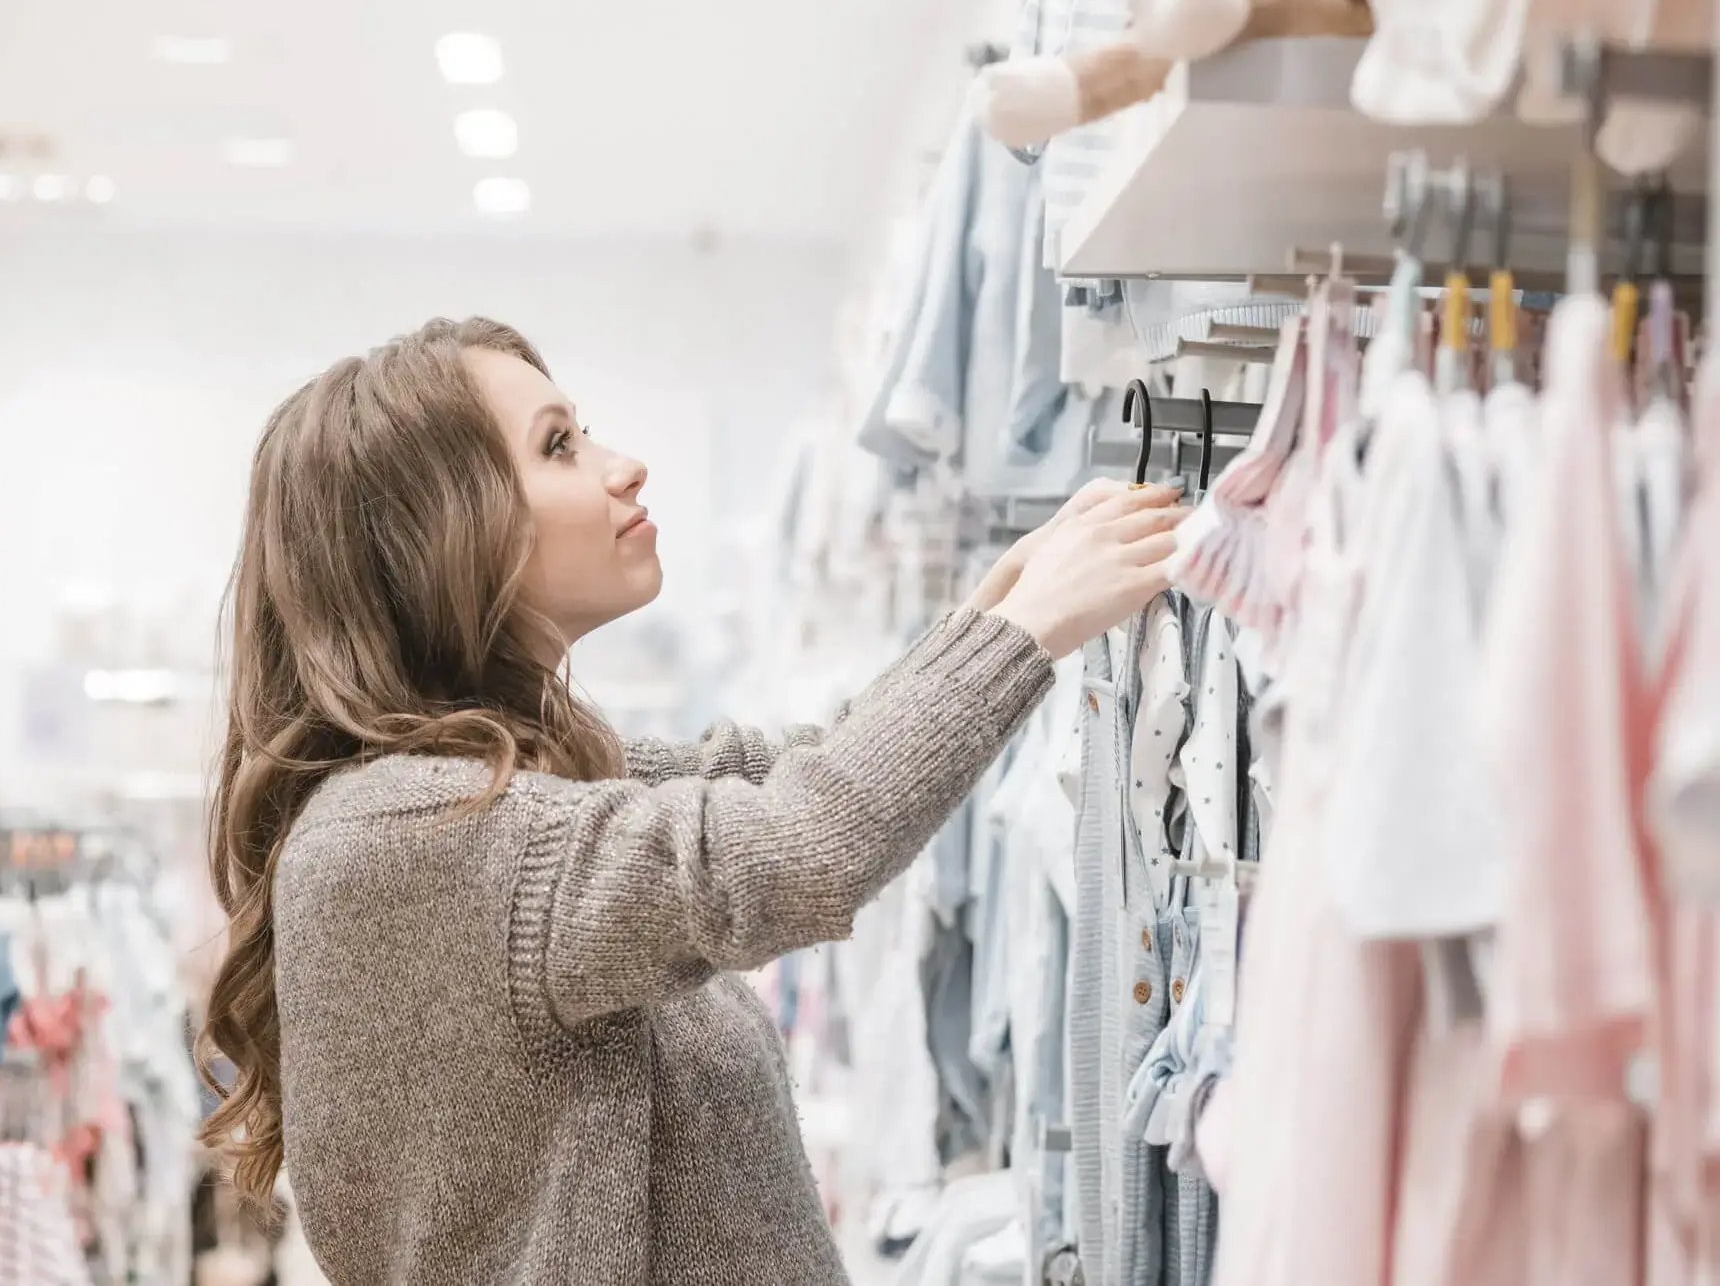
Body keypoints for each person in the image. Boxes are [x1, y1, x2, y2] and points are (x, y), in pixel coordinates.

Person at [197, 317, 1184, 1283]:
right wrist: (1019, 633)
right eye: (557, 446)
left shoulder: (532, 778)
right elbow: (800, 845)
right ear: (432, 534)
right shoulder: (415, 834)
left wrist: (988, 612)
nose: (622, 465)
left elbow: (790, 770)